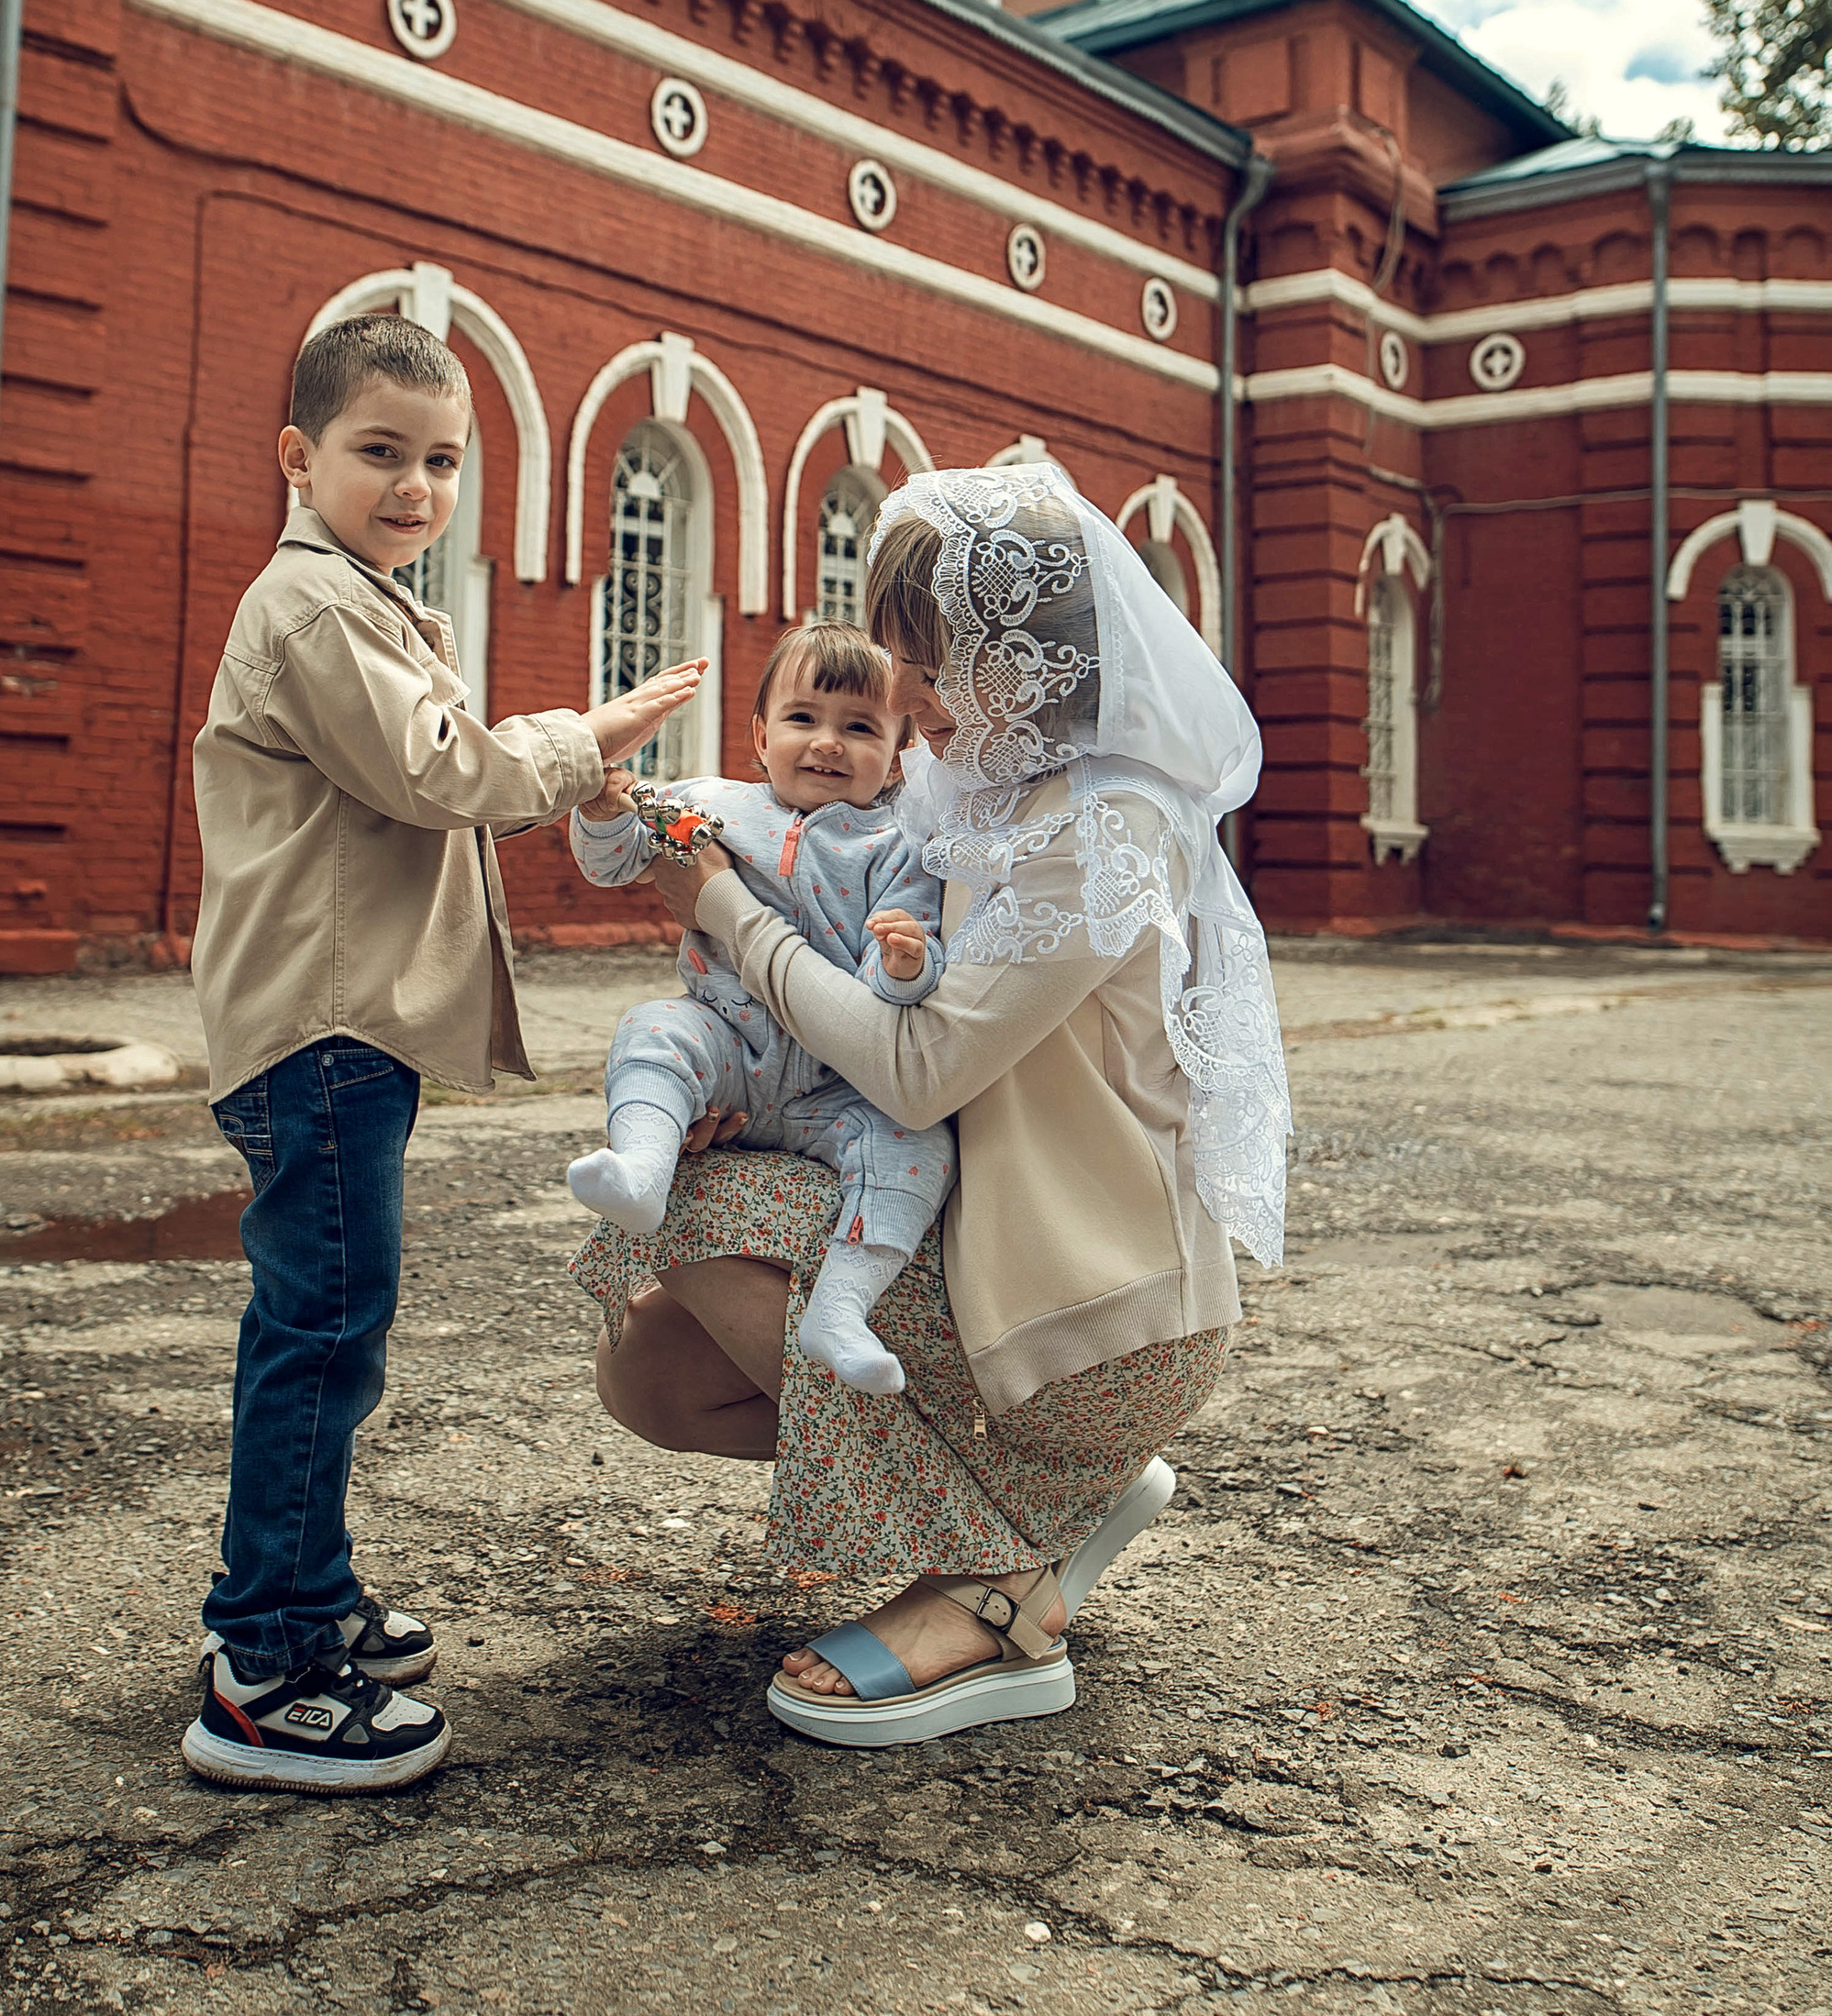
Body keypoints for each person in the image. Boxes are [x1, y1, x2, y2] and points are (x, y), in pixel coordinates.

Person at [575, 460, 1291, 1749]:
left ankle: (1001, 1588)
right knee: (654, 1365)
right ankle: (1048, 1508)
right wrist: (743, 1090)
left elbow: (918, 1071)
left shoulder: (1105, 824)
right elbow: (862, 1006)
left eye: (932, 661)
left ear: (1025, 659)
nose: (901, 701)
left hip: (1089, 1317)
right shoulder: (991, 793)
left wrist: (722, 913)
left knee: (680, 1215)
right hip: (989, 1269)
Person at [183, 312, 705, 1793]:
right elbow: (441, 776)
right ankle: (264, 1670)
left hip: (341, 1020)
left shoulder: (361, 600)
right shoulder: (314, 610)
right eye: (379, 454)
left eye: (442, 462)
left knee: (328, 1327)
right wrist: (589, 735)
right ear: (300, 456)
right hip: (322, 1024)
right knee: (323, 1333)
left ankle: (303, 1595)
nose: (415, 487)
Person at [564, 618, 954, 1395]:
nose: (829, 743)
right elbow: (615, 863)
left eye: (860, 727)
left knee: (921, 1144)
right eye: (803, 718)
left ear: (898, 754)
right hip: (728, 1051)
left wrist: (908, 959)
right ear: (759, 734)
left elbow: (897, 978)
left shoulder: (900, 845)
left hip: (838, 1088)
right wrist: (606, 810)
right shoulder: (711, 807)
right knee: (653, 1027)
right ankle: (642, 1167)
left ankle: (842, 1308)